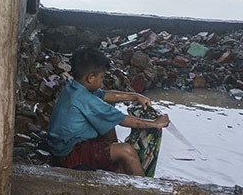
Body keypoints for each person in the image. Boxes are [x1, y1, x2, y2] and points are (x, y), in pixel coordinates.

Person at [45, 47, 168, 176]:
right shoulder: (85, 98)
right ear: (91, 78)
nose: (102, 81)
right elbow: (124, 120)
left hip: (60, 145)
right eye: (102, 77)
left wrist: (136, 96)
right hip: (69, 154)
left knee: (108, 123)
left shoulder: (74, 87)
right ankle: (145, 189)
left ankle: (114, 162)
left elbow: (107, 95)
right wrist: (155, 123)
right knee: (127, 151)